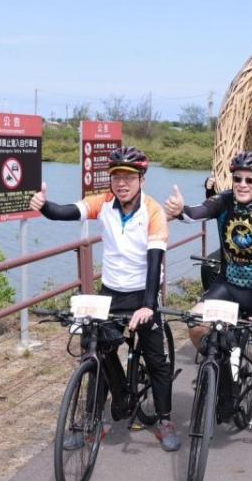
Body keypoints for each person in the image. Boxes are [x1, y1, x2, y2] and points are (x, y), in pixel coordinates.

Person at [29, 146, 180, 452]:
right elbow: (66, 212)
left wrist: (149, 306)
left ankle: (164, 420)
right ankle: (92, 422)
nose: (121, 183)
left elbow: (155, 262)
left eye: (128, 177)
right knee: (94, 350)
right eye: (116, 177)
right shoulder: (104, 203)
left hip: (143, 290)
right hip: (111, 292)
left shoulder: (153, 212)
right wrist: (44, 206)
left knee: (156, 360)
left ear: (141, 179)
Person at [163, 151, 252, 455]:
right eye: (237, 179)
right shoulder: (224, 201)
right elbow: (197, 211)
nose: (242, 184)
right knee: (195, 324)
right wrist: (181, 210)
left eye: (250, 180)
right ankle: (218, 371)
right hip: (228, 284)